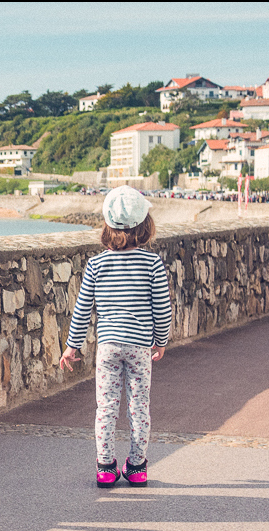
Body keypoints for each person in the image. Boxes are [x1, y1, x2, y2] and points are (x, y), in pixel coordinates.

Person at [60, 186, 172, 488]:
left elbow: (82, 309)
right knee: (139, 406)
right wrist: (160, 340)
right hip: (138, 346)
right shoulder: (152, 264)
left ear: (107, 225)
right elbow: (162, 308)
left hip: (108, 346)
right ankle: (137, 467)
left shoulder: (97, 264)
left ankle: (106, 467)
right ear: (145, 225)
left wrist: (72, 346)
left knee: (106, 406)